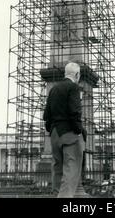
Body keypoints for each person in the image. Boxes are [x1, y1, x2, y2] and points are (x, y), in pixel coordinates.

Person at [43, 62, 85, 198]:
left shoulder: (53, 89)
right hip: (69, 133)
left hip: (55, 134)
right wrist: (79, 130)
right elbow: (75, 112)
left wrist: (52, 129)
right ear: (77, 75)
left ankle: (56, 195)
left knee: (58, 169)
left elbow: (46, 115)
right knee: (70, 171)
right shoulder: (73, 87)